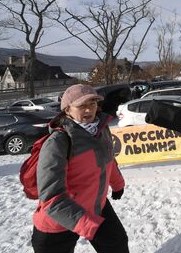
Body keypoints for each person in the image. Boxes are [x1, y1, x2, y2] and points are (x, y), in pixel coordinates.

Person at [31, 84, 128, 253]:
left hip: (96, 205)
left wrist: (118, 184)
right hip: (58, 222)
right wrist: (88, 225)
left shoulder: (101, 129)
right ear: (67, 110)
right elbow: (52, 198)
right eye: (82, 105)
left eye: (92, 103)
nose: (89, 109)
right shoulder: (58, 142)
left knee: (117, 244)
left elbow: (108, 160)